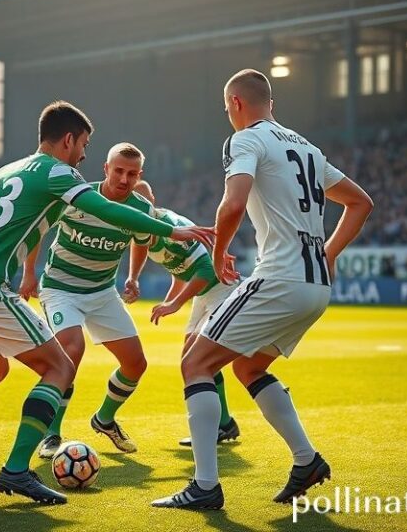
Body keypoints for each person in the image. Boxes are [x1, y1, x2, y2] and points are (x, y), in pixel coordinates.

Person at [0, 101, 213, 506]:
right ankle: (15, 470)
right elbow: (102, 207)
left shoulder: (7, 170)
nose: (84, 153)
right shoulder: (60, 172)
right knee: (60, 366)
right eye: (84, 144)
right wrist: (173, 230)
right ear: (68, 140)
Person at [152, 69, 373, 509]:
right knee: (248, 368)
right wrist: (327, 255)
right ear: (270, 101)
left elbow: (233, 202)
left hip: (280, 277)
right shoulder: (308, 148)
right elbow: (361, 202)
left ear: (235, 104)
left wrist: (217, 255)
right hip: (315, 285)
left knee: (194, 360)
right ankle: (306, 461)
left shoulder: (245, 139)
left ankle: (205, 487)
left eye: (226, 108)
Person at [20, 143, 157, 458]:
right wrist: (29, 273)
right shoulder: (76, 196)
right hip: (60, 287)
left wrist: (133, 276)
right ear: (106, 169)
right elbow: (38, 231)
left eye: (132, 174)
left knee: (136, 364)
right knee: (71, 351)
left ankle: (104, 419)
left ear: (140, 176)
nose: (124, 179)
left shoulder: (142, 209)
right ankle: (51, 433)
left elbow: (142, 241)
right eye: (118, 171)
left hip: (101, 291)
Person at [130, 180, 240, 448]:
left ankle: (217, 427)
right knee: (195, 360)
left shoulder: (170, 229)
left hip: (221, 288)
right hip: (205, 293)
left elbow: (204, 268)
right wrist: (170, 299)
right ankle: (224, 424)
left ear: (152, 202)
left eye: (144, 205)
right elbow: (180, 271)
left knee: (196, 359)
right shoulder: (144, 231)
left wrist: (176, 304)